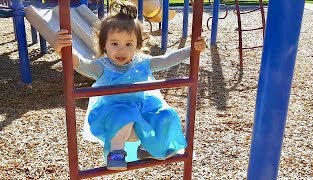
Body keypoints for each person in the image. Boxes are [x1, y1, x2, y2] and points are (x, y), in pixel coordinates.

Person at [54, 0, 206, 171]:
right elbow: (80, 63)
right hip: (114, 114)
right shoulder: (102, 67)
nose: (121, 50)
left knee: (165, 115)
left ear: (137, 45)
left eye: (128, 44)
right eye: (114, 44)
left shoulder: (142, 63)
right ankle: (116, 153)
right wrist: (64, 50)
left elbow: (166, 60)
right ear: (104, 44)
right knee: (124, 116)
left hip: (142, 109)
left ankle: (148, 147)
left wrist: (191, 50)